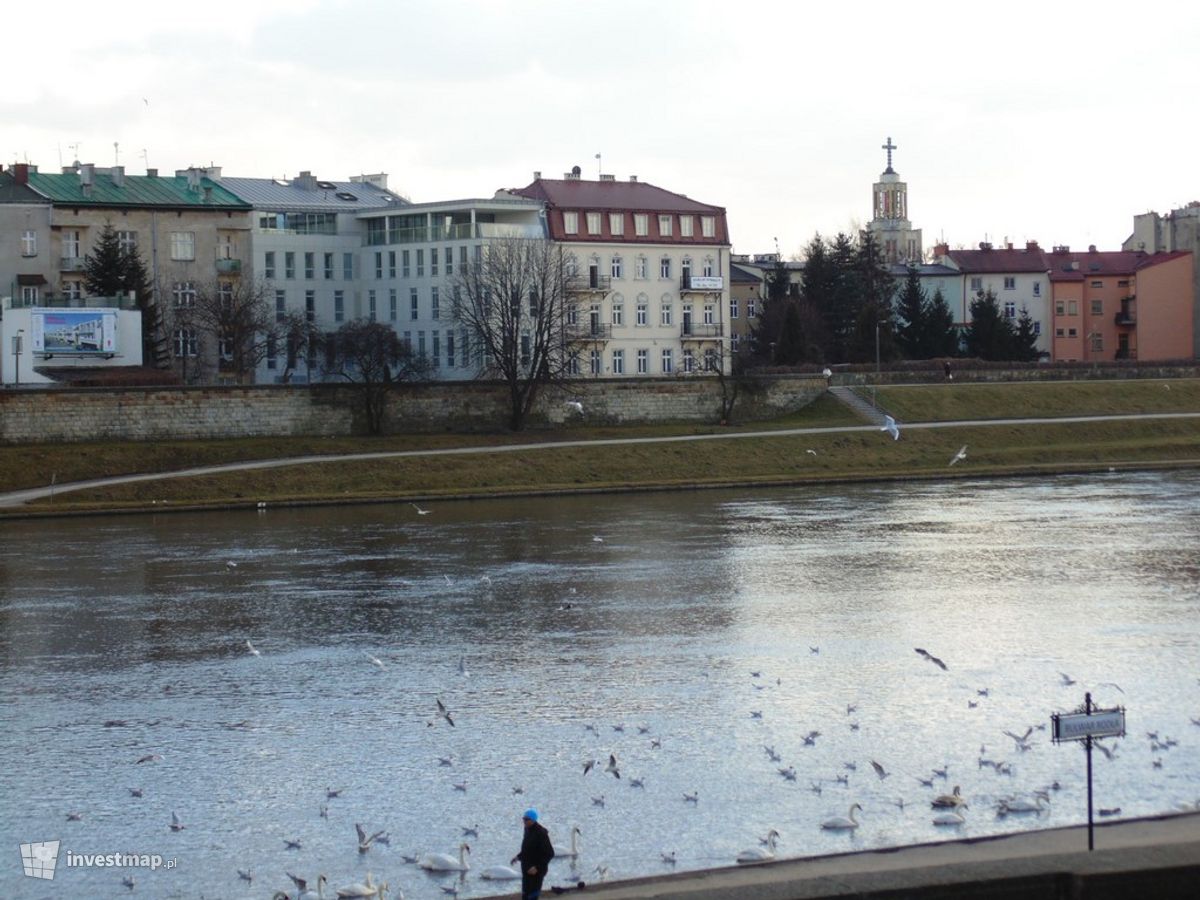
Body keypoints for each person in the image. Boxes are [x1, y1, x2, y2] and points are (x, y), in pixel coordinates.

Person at [511, 808, 555, 900]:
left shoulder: (541, 833)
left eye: (527, 819)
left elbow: (549, 853)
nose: (524, 821)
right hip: (526, 869)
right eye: (524, 819)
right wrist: (518, 857)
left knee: (532, 897)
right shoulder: (527, 830)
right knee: (525, 896)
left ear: (533, 820)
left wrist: (537, 867)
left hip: (536, 872)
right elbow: (527, 849)